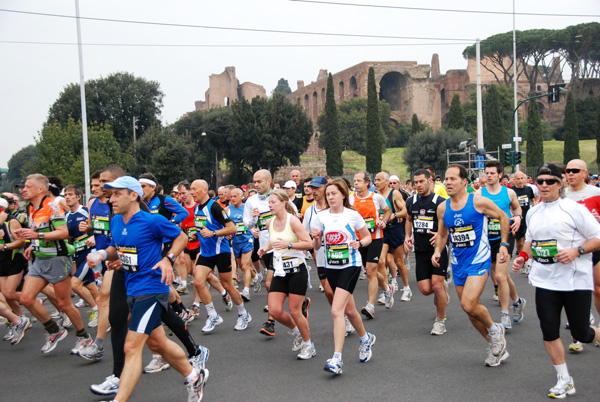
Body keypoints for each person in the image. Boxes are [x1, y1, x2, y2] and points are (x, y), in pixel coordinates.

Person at [87, 176, 208, 402]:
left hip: (152, 289)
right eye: (110, 194)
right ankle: (194, 376)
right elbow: (118, 247)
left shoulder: (151, 221)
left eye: (116, 193)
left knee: (132, 346)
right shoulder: (116, 221)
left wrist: (168, 259)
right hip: (132, 288)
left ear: (133, 195)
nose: (111, 198)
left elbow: (180, 236)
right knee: (157, 343)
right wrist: (102, 255)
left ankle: (119, 399)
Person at [513, 163, 600, 399]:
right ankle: (564, 379)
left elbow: (597, 237)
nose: (543, 185)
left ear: (560, 183)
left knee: (582, 334)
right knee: (549, 330)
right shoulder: (533, 212)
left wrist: (577, 251)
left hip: (574, 280)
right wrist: (522, 257)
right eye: (540, 181)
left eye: (549, 181)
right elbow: (531, 241)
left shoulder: (573, 209)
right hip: (545, 281)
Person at [432, 164, 509, 367]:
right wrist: (438, 251)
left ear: (464, 182)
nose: (447, 182)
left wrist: (503, 244)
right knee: (470, 310)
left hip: (479, 259)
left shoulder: (478, 201)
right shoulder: (443, 208)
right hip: (458, 262)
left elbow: (503, 216)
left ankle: (494, 329)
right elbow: (442, 234)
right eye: (446, 179)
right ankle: (495, 344)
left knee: (468, 303)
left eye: (452, 179)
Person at [17, 174, 93, 355]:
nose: (23, 190)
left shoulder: (52, 206)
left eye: (27, 186)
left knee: (64, 303)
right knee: (26, 299)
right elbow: (37, 230)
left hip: (58, 259)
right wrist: (31, 245)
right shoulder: (30, 207)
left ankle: (84, 338)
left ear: (40, 189)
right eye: (23, 187)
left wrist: (37, 237)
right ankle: (54, 331)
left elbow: (63, 232)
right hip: (39, 259)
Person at [311, 178, 376, 375]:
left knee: (336, 310)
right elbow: (316, 247)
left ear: (343, 195)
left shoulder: (352, 215)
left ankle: (337, 359)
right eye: (328, 194)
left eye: (334, 194)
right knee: (350, 310)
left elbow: (368, 237)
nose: (330, 197)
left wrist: (360, 243)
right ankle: (366, 339)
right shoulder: (320, 217)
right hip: (331, 266)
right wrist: (316, 238)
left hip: (351, 265)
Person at [257, 189, 315, 359]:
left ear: (283, 203)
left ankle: (308, 344)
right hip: (280, 270)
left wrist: (289, 245)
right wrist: (265, 248)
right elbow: (273, 240)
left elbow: (308, 243)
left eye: (273, 202)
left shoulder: (294, 221)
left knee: (295, 311)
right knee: (274, 310)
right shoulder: (270, 222)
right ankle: (297, 331)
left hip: (297, 270)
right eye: (269, 202)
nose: (270, 205)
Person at [190, 180, 250, 332]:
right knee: (198, 282)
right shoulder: (197, 208)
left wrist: (213, 233)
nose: (191, 192)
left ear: (204, 190)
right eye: (190, 189)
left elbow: (232, 228)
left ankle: (243, 314)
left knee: (227, 285)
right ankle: (213, 316)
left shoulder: (215, 207)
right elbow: (203, 228)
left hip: (220, 251)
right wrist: (195, 235)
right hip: (206, 252)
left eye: (194, 189)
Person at [478, 161, 526, 329]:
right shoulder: (479, 194)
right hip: (487, 238)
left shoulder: (509, 193)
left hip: (504, 237)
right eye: (487, 173)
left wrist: (518, 217)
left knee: (499, 276)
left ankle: (505, 313)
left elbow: (517, 208)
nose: (489, 175)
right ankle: (517, 301)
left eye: (492, 173)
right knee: (500, 275)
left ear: (499, 175)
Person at [404, 169, 450, 335]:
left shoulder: (441, 202)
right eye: (416, 182)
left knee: (437, 286)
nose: (418, 185)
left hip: (438, 249)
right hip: (421, 251)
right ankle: (442, 290)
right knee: (425, 289)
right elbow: (409, 219)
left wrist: (441, 234)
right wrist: (407, 236)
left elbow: (450, 224)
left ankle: (440, 321)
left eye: (421, 181)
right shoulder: (411, 201)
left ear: (431, 181)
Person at [564, 158, 600, 352]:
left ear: (585, 173)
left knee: (598, 289)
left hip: (594, 247)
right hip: (572, 251)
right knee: (573, 292)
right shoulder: (562, 196)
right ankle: (578, 334)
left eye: (575, 170)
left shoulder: (596, 193)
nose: (570, 173)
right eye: (568, 170)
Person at [350, 171, 392, 319]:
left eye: (359, 181)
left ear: (367, 182)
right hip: (358, 240)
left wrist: (383, 221)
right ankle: (387, 289)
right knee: (370, 271)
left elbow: (387, 211)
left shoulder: (376, 197)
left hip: (375, 238)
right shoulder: (350, 198)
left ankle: (371, 306)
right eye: (354, 181)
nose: (356, 183)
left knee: (370, 270)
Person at [63, 184, 99, 328]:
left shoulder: (85, 211)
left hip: (89, 252)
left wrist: (94, 238)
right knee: (90, 286)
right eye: (66, 195)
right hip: (77, 253)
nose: (67, 197)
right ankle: (103, 310)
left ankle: (96, 309)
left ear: (78, 197)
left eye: (71, 195)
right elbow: (69, 238)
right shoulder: (66, 216)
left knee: (75, 284)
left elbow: (100, 227)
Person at [227, 188, 256, 302]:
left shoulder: (247, 208)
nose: (233, 198)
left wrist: (254, 230)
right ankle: (256, 276)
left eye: (235, 196)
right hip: (236, 241)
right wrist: (227, 233)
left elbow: (253, 221)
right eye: (231, 196)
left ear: (241, 197)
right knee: (243, 266)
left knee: (244, 265)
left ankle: (246, 291)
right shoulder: (227, 210)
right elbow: (224, 224)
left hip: (247, 239)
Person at [511, 171, 536, 273]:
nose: (520, 181)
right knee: (520, 242)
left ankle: (528, 262)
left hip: (528, 218)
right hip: (518, 219)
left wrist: (535, 209)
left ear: (525, 179)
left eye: (522, 178)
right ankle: (521, 257)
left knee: (528, 240)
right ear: (514, 180)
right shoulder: (512, 191)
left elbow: (533, 200)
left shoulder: (528, 189)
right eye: (518, 179)